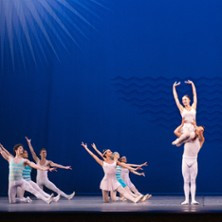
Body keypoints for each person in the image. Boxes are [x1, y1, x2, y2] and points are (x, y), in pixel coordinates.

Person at [174, 121, 205, 205]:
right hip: (185, 160)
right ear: (196, 130)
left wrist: (197, 127)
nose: (201, 131)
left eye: (202, 130)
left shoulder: (201, 140)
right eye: (200, 129)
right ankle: (187, 199)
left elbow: (201, 136)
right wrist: (182, 124)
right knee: (186, 180)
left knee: (193, 180)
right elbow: (176, 132)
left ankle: (193, 199)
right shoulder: (187, 138)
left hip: (194, 161)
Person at [172, 80, 197, 146]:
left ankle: (179, 141)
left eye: (185, 99)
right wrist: (174, 87)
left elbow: (194, 95)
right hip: (185, 127)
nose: (184, 101)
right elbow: (176, 98)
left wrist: (192, 84)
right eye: (183, 100)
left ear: (189, 100)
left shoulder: (193, 107)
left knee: (191, 136)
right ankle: (178, 141)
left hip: (192, 127)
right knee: (187, 135)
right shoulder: (182, 109)